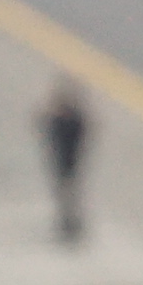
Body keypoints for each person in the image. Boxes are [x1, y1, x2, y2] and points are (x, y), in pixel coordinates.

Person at [39, 77, 91, 247]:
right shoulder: (70, 120)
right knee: (67, 191)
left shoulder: (64, 121)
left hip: (68, 159)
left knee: (68, 190)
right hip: (64, 159)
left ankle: (69, 223)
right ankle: (68, 222)